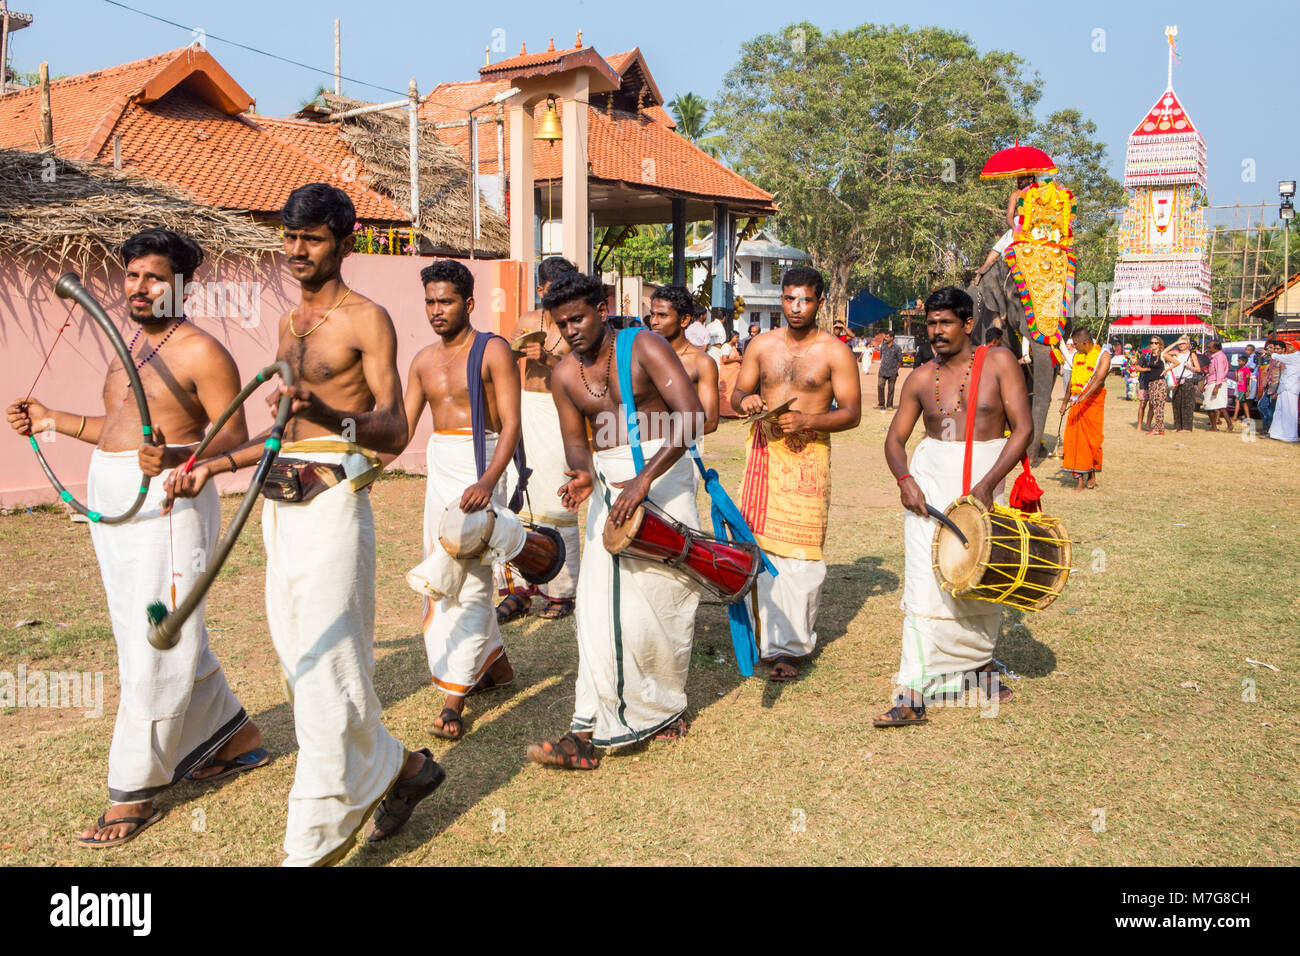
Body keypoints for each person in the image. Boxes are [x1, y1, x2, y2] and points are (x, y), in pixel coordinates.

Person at [168, 184, 442, 864]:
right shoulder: (290, 323)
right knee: (300, 663)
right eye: (289, 237)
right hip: (279, 502)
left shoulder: (365, 319)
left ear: (345, 241)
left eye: (311, 238)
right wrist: (213, 463)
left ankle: (313, 837)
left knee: (329, 660)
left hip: (334, 502)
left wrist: (321, 409)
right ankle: (402, 769)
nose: (296, 251)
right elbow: (278, 427)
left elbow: (394, 428)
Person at [6, 228, 266, 849]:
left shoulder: (203, 352)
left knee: (159, 634)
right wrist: (50, 420)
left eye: (153, 277)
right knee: (139, 627)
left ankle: (134, 787)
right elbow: (118, 430)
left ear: (182, 283)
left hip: (170, 506)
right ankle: (231, 735)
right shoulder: (131, 346)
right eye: (131, 276)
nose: (139, 288)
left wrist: (175, 455)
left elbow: (239, 443)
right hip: (118, 505)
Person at [526, 272, 706, 769]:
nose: (572, 331)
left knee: (661, 601)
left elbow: (689, 416)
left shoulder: (644, 345)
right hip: (611, 490)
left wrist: (644, 480)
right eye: (562, 324)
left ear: (601, 309)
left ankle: (661, 709)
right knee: (598, 608)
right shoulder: (564, 375)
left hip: (662, 477)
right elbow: (577, 444)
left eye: (579, 318)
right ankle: (590, 721)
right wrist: (584, 477)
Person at [875, 286, 1032, 727]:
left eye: (946, 323)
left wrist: (989, 483)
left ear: (968, 324)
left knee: (978, 577)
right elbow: (894, 440)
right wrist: (906, 481)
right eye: (931, 323)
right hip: (930, 488)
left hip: (986, 480)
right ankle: (911, 692)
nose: (937, 332)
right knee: (927, 583)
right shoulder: (921, 377)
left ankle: (978, 665)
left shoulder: (999, 363)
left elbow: (1023, 429)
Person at [396, 259, 522, 740]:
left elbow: (510, 424)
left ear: (468, 303)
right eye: (429, 301)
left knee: (469, 579)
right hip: (441, 467)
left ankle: (453, 699)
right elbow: (402, 429)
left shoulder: (493, 352)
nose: (435, 310)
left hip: (482, 463)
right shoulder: (423, 361)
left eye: (445, 300)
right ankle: (496, 667)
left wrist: (489, 481)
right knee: (444, 572)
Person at [731, 266, 862, 682]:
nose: (796, 307)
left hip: (808, 457)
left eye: (805, 299)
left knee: (801, 555)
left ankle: (790, 648)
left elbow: (852, 413)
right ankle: (763, 638)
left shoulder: (834, 351)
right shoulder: (761, 345)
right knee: (758, 548)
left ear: (820, 301)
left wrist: (808, 421)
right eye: (789, 299)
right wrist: (747, 399)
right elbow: (737, 393)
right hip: (763, 456)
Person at [503, 255, 581, 622]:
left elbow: (577, 367)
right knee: (519, 497)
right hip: (525, 409)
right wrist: (515, 349)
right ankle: (520, 587)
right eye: (553, 290)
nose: (560, 296)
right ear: (540, 289)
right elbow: (502, 356)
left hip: (560, 411)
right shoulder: (527, 321)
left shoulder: (573, 323)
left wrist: (546, 359)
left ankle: (562, 591)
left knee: (557, 499)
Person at [645, 285, 720, 434]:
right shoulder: (643, 357)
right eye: (652, 314)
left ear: (684, 320)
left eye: (662, 315)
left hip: (681, 451)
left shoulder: (701, 362)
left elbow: (710, 421)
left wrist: (663, 440)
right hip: (640, 448)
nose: (654, 321)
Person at [1061, 326, 1110, 491]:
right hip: (1076, 402)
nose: (1074, 347)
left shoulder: (1103, 356)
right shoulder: (1077, 356)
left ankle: (1092, 471)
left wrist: (1083, 397)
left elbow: (1098, 380)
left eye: (1075, 343)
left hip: (1092, 403)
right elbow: (1072, 379)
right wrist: (1065, 401)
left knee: (1092, 442)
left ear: (1085, 342)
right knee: (1074, 442)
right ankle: (1079, 479)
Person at [1162, 336, 1201, 433]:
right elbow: (1163, 353)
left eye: (1184, 343)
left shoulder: (1192, 355)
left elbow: (1198, 369)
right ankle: (1178, 426)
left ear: (1188, 344)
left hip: (1187, 380)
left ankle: (1187, 427)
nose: (1182, 345)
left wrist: (1189, 367)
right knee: (1176, 403)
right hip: (1176, 381)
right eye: (1180, 344)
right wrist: (1175, 343)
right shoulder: (1176, 353)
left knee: (1187, 404)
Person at [1266, 338, 1300, 442]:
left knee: (1289, 412)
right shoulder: (1292, 356)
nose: (1288, 347)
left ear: (1295, 348)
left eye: (1290, 345)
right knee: (1280, 411)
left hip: (1290, 388)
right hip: (1284, 387)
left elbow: (1278, 357)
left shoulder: (1296, 356)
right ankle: (1277, 433)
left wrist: (1270, 352)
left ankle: (1290, 435)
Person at [1137, 337, 1166, 433]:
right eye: (1152, 342)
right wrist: (1146, 369)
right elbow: (1137, 367)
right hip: (1144, 381)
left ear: (1159, 344)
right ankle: (1140, 424)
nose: (1153, 344)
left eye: (1156, 343)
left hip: (1155, 382)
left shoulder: (1161, 355)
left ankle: (1148, 424)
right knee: (1142, 403)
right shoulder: (1146, 356)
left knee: (1152, 404)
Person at [1202, 339, 1232, 433]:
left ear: (1215, 348)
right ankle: (1215, 426)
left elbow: (1220, 372)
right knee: (1215, 405)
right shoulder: (1216, 356)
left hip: (1216, 383)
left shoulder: (1219, 357)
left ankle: (1225, 425)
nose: (1209, 349)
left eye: (1210, 347)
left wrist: (1216, 386)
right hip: (1213, 381)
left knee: (1215, 405)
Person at [876, 331, 903, 411]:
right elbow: (881, 356)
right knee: (880, 386)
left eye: (887, 337)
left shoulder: (897, 348)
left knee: (891, 389)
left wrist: (896, 369)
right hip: (882, 370)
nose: (885, 338)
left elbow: (900, 360)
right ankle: (881, 404)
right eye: (885, 337)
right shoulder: (883, 346)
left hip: (892, 372)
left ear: (892, 338)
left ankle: (889, 405)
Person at [1258, 344, 1280, 433]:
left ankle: (1268, 427)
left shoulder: (1280, 360)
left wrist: (1277, 391)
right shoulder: (1271, 360)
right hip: (1269, 387)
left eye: (1273, 348)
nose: (1270, 350)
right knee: (1262, 406)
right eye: (1269, 348)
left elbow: (1281, 377)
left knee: (1270, 408)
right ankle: (1267, 426)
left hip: (1275, 388)